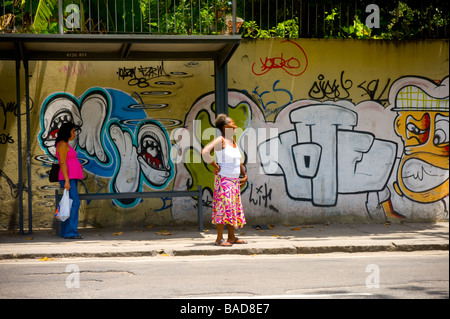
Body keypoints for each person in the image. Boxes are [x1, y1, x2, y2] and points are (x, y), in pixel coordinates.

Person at [201, 114, 248, 246]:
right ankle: (219, 239)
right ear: (226, 127)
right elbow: (205, 152)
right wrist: (217, 167)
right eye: (233, 124)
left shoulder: (233, 142)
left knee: (232, 208)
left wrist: (244, 175)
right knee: (223, 208)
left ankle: (231, 237)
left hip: (234, 181)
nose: (236, 126)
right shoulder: (220, 140)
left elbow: (239, 161)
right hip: (224, 181)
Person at [55, 122, 84, 239]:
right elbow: (62, 162)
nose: (74, 133)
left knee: (71, 204)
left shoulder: (66, 144)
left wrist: (77, 165)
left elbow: (68, 161)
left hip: (72, 178)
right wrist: (67, 180)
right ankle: (70, 232)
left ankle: (66, 232)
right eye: (72, 131)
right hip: (68, 179)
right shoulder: (62, 145)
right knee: (75, 203)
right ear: (66, 132)